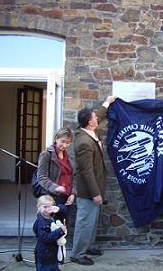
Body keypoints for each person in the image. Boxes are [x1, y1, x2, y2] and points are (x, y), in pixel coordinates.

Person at [70, 96, 115, 266]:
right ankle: (77, 254)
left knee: (91, 222)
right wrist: (96, 194)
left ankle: (86, 247)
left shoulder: (87, 131)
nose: (97, 117)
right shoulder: (84, 142)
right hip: (88, 191)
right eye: (94, 117)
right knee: (85, 223)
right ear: (90, 122)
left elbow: (100, 115)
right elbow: (87, 172)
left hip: (94, 190)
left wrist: (108, 102)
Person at [37, 127, 76, 219]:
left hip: (66, 198)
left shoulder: (69, 156)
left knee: (62, 227)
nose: (65, 145)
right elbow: (41, 177)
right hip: (51, 198)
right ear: (56, 139)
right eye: (63, 141)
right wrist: (56, 187)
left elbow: (74, 176)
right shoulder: (46, 154)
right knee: (50, 227)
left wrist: (73, 193)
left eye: (68, 142)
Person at [33, 195, 67, 271]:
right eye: (45, 207)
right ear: (39, 207)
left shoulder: (52, 216)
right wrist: (60, 231)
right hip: (45, 255)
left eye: (50, 207)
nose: (48, 210)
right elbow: (45, 238)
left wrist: (58, 209)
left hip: (52, 253)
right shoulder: (41, 222)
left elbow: (65, 209)